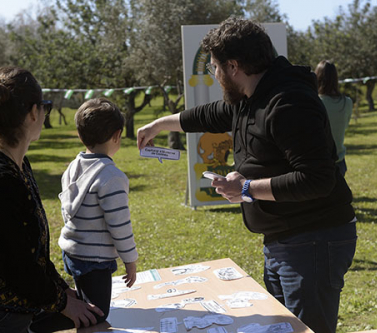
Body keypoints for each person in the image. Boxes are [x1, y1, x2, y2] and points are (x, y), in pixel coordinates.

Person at [137, 18, 357, 333]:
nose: (214, 75)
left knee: (308, 330)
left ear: (234, 66)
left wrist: (247, 188)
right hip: (284, 238)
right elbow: (208, 115)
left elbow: (318, 179)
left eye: (215, 67)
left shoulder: (288, 103)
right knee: (285, 328)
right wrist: (158, 125)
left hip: (314, 239)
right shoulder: (250, 97)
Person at [0, 66, 103, 333]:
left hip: (1, 313)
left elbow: (31, 252)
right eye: (45, 107)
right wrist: (63, 302)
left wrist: (63, 290)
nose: (44, 114)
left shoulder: (16, 165)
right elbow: (17, 266)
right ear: (33, 112)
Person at [58, 97, 138, 323]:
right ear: (117, 136)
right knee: (96, 315)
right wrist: (130, 260)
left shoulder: (73, 166)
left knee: (86, 304)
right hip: (94, 260)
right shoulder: (111, 177)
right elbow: (119, 225)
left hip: (72, 251)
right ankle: (38, 320)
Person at [315, 60, 353, 177]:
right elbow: (345, 126)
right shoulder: (347, 102)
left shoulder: (314, 101)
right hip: (339, 161)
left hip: (318, 162)